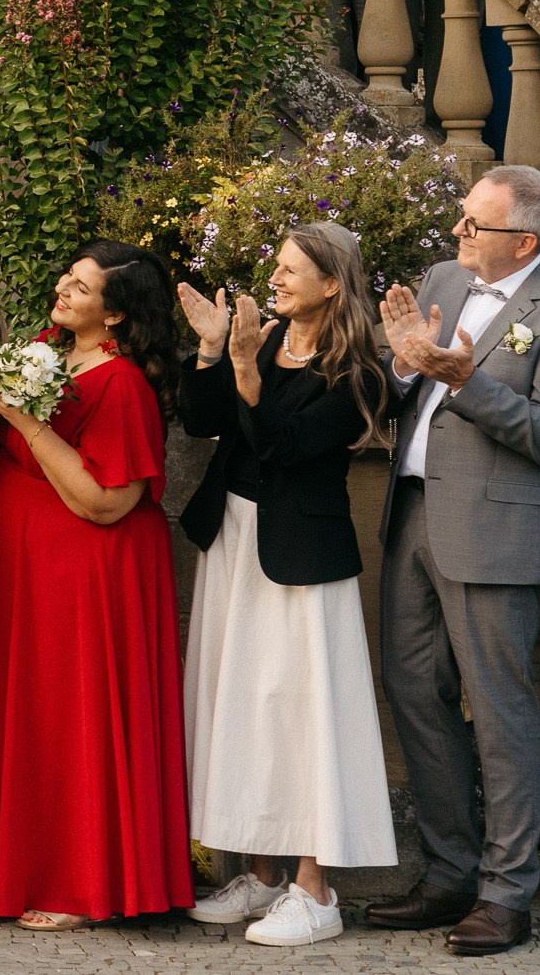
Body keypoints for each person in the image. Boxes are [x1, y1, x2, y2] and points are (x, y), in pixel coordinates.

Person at [365, 165, 540, 955]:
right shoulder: (442, 278)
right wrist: (403, 361)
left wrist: (464, 381)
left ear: (523, 240)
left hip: (496, 531)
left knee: (499, 712)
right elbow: (407, 379)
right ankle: (450, 871)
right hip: (417, 512)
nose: (457, 233)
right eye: (461, 218)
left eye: (472, 224)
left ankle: (507, 892)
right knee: (414, 691)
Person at [175, 224, 396, 949]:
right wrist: (214, 352)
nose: (274, 277)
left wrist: (245, 372)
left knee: (304, 711)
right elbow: (202, 420)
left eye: (291, 268)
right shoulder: (261, 340)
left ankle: (316, 889)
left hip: (301, 554)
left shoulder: (359, 371)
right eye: (275, 264)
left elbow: (286, 445)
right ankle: (263, 874)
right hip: (235, 538)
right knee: (240, 699)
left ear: (332, 283)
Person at [0, 242, 191, 929]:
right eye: (67, 276)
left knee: (72, 718)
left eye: (82, 286)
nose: (63, 288)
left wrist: (25, 420)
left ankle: (78, 882)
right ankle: (15, 869)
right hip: (23, 565)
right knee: (27, 713)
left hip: (84, 572)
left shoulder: (120, 382)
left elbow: (107, 501)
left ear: (116, 314)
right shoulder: (48, 350)